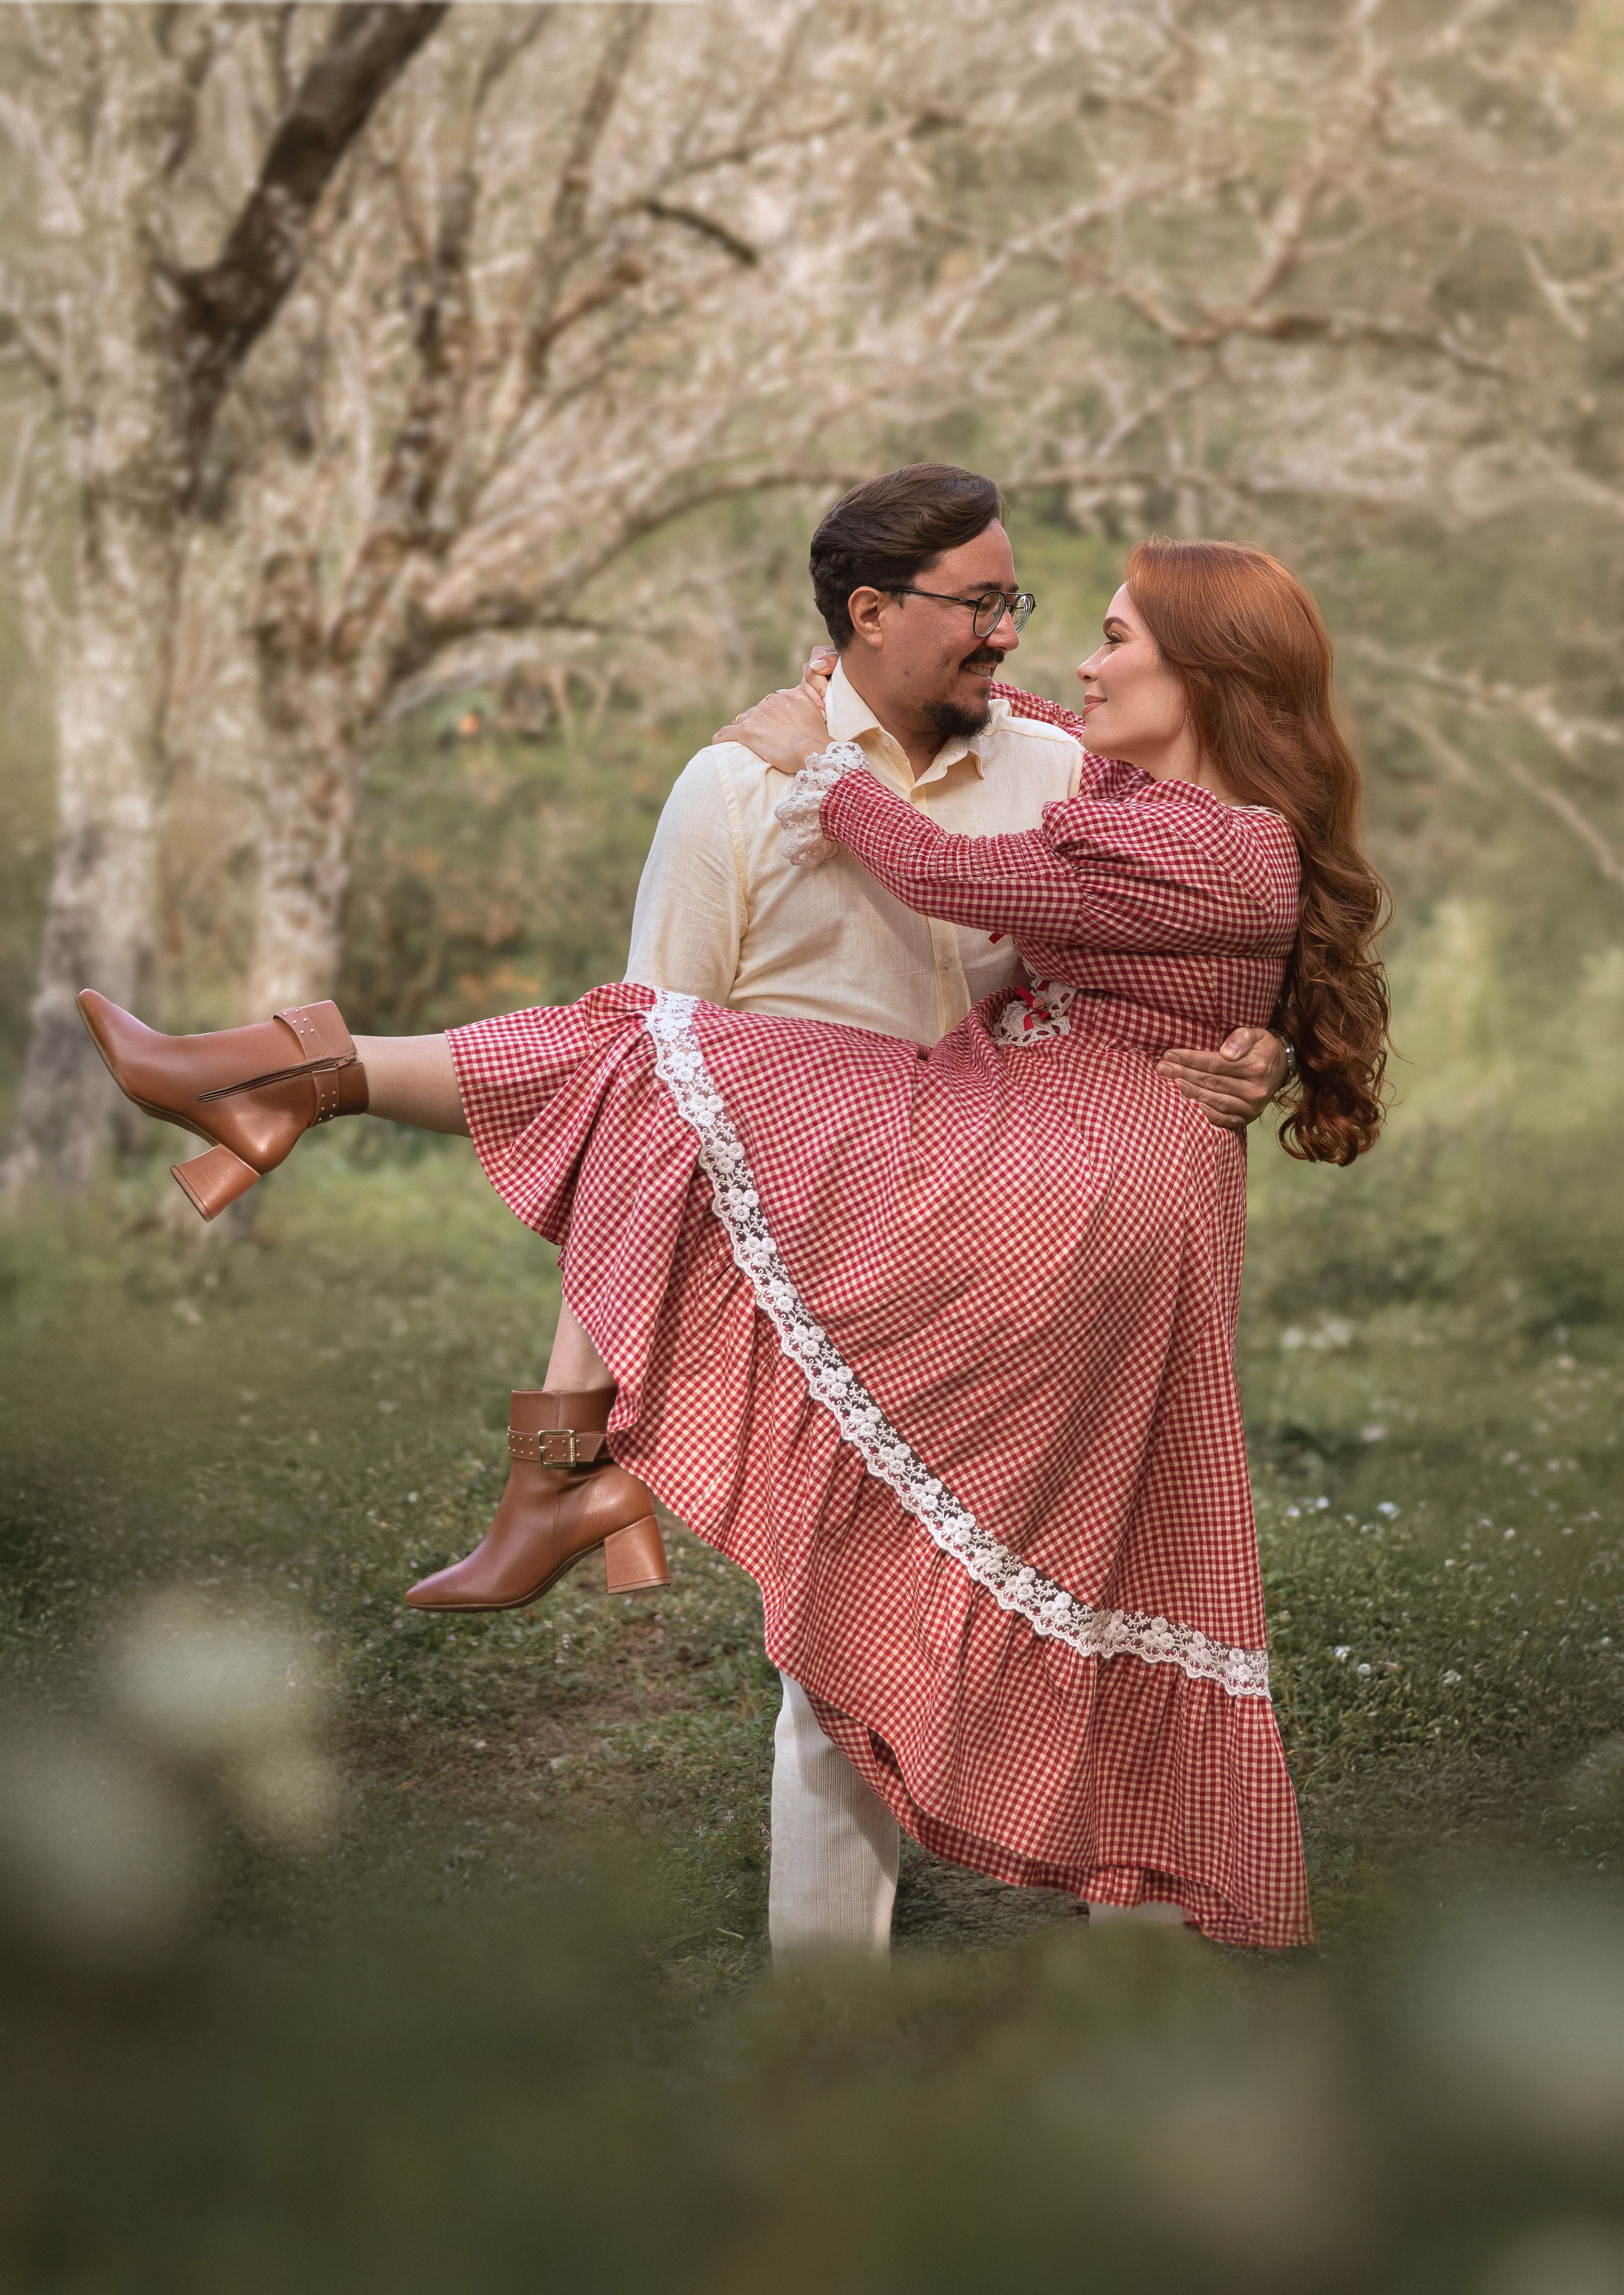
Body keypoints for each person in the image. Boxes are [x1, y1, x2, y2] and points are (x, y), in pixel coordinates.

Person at [76, 510, 1388, 1952]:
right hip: (1000, 1169)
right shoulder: (995, 775)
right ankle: (1059, 1983)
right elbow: (1037, 773)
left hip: (1034, 1187)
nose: (1050, 652)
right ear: (878, 612)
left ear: (1204, 673)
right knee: (1049, 1563)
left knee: (645, 1058)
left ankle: (295, 1088)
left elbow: (969, 877)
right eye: (996, 606)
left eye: (1102, 634)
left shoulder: (1162, 821)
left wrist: (818, 768)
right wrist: (837, 725)